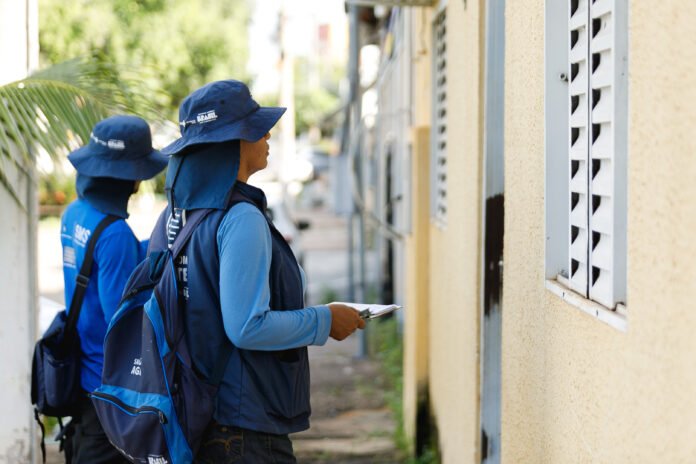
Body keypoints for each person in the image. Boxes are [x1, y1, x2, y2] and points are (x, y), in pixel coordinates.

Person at [157, 79, 365, 463]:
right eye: (256, 128)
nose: (267, 135)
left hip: (194, 418)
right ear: (232, 142)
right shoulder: (241, 219)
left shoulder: (175, 217)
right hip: (244, 430)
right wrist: (326, 320)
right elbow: (247, 327)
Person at [61, 115, 168, 463]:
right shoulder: (115, 235)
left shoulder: (75, 213)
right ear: (132, 178)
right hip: (106, 391)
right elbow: (120, 323)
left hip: (82, 372)